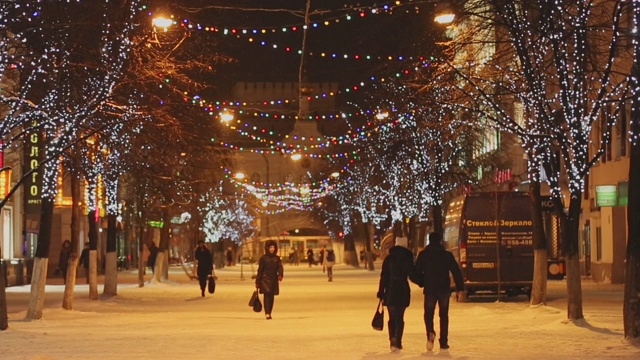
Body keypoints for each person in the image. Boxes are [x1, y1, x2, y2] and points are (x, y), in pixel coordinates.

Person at [412, 232, 464, 351]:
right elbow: (456, 271)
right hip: (444, 288)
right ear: (440, 240)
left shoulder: (424, 255)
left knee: (428, 314)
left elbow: (416, 272)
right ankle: (444, 341)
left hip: (430, 288)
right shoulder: (447, 255)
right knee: (444, 315)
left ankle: (430, 332)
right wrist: (459, 288)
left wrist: (422, 282)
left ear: (429, 241)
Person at [377, 236, 415, 351]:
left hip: (391, 290)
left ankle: (392, 339)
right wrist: (423, 281)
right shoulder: (408, 259)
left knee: (392, 317)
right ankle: (398, 341)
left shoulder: (389, 259)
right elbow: (413, 275)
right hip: (403, 290)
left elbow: (384, 276)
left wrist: (381, 291)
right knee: (400, 317)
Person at [255, 240, 283, 319]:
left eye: (273, 247)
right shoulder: (263, 258)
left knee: (271, 296)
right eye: (270, 247)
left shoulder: (277, 258)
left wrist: (280, 274)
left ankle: (269, 311)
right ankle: (267, 312)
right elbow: (260, 270)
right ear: (267, 248)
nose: (272, 249)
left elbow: (280, 267)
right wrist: (258, 281)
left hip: (273, 279)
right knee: (267, 295)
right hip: (264, 279)